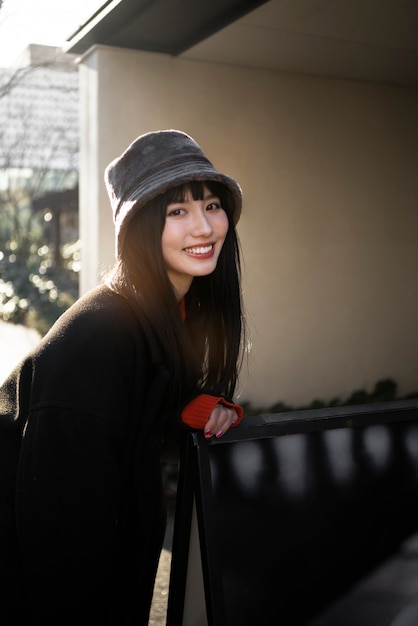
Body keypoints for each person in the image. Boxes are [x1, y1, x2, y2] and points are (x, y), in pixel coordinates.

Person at [0, 129, 247, 624]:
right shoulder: (101, 336)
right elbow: (60, 533)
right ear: (139, 227)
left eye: (211, 205)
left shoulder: (162, 312)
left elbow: (148, 395)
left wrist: (198, 408)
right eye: (177, 211)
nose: (203, 227)